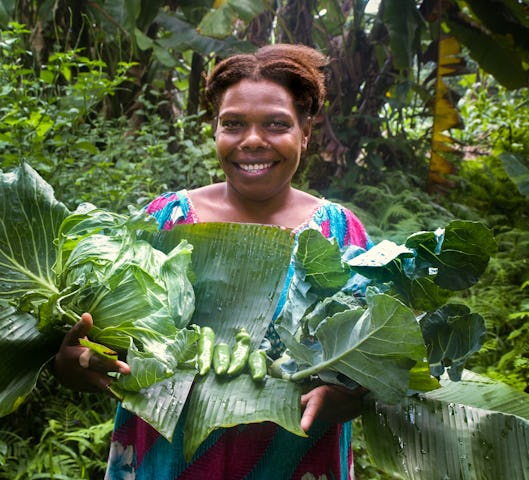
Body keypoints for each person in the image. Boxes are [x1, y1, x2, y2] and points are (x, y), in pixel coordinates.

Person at [54, 43, 373, 479]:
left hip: (295, 461)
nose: (253, 140)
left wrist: (352, 395)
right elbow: (103, 340)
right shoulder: (165, 220)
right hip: (164, 462)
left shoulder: (339, 232)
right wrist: (73, 362)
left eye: (276, 124)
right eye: (233, 124)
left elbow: (373, 359)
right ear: (215, 131)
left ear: (305, 132)